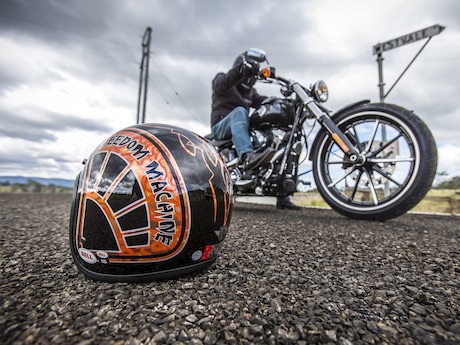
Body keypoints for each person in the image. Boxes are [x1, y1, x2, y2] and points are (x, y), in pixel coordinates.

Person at [210, 49, 301, 210]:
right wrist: (240, 70)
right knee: (240, 111)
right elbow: (222, 83)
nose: (251, 78)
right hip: (221, 127)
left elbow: (264, 102)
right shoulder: (223, 81)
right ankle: (247, 155)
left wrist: (290, 102)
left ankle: (283, 193)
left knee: (274, 131)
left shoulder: (251, 93)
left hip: (240, 127)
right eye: (249, 72)